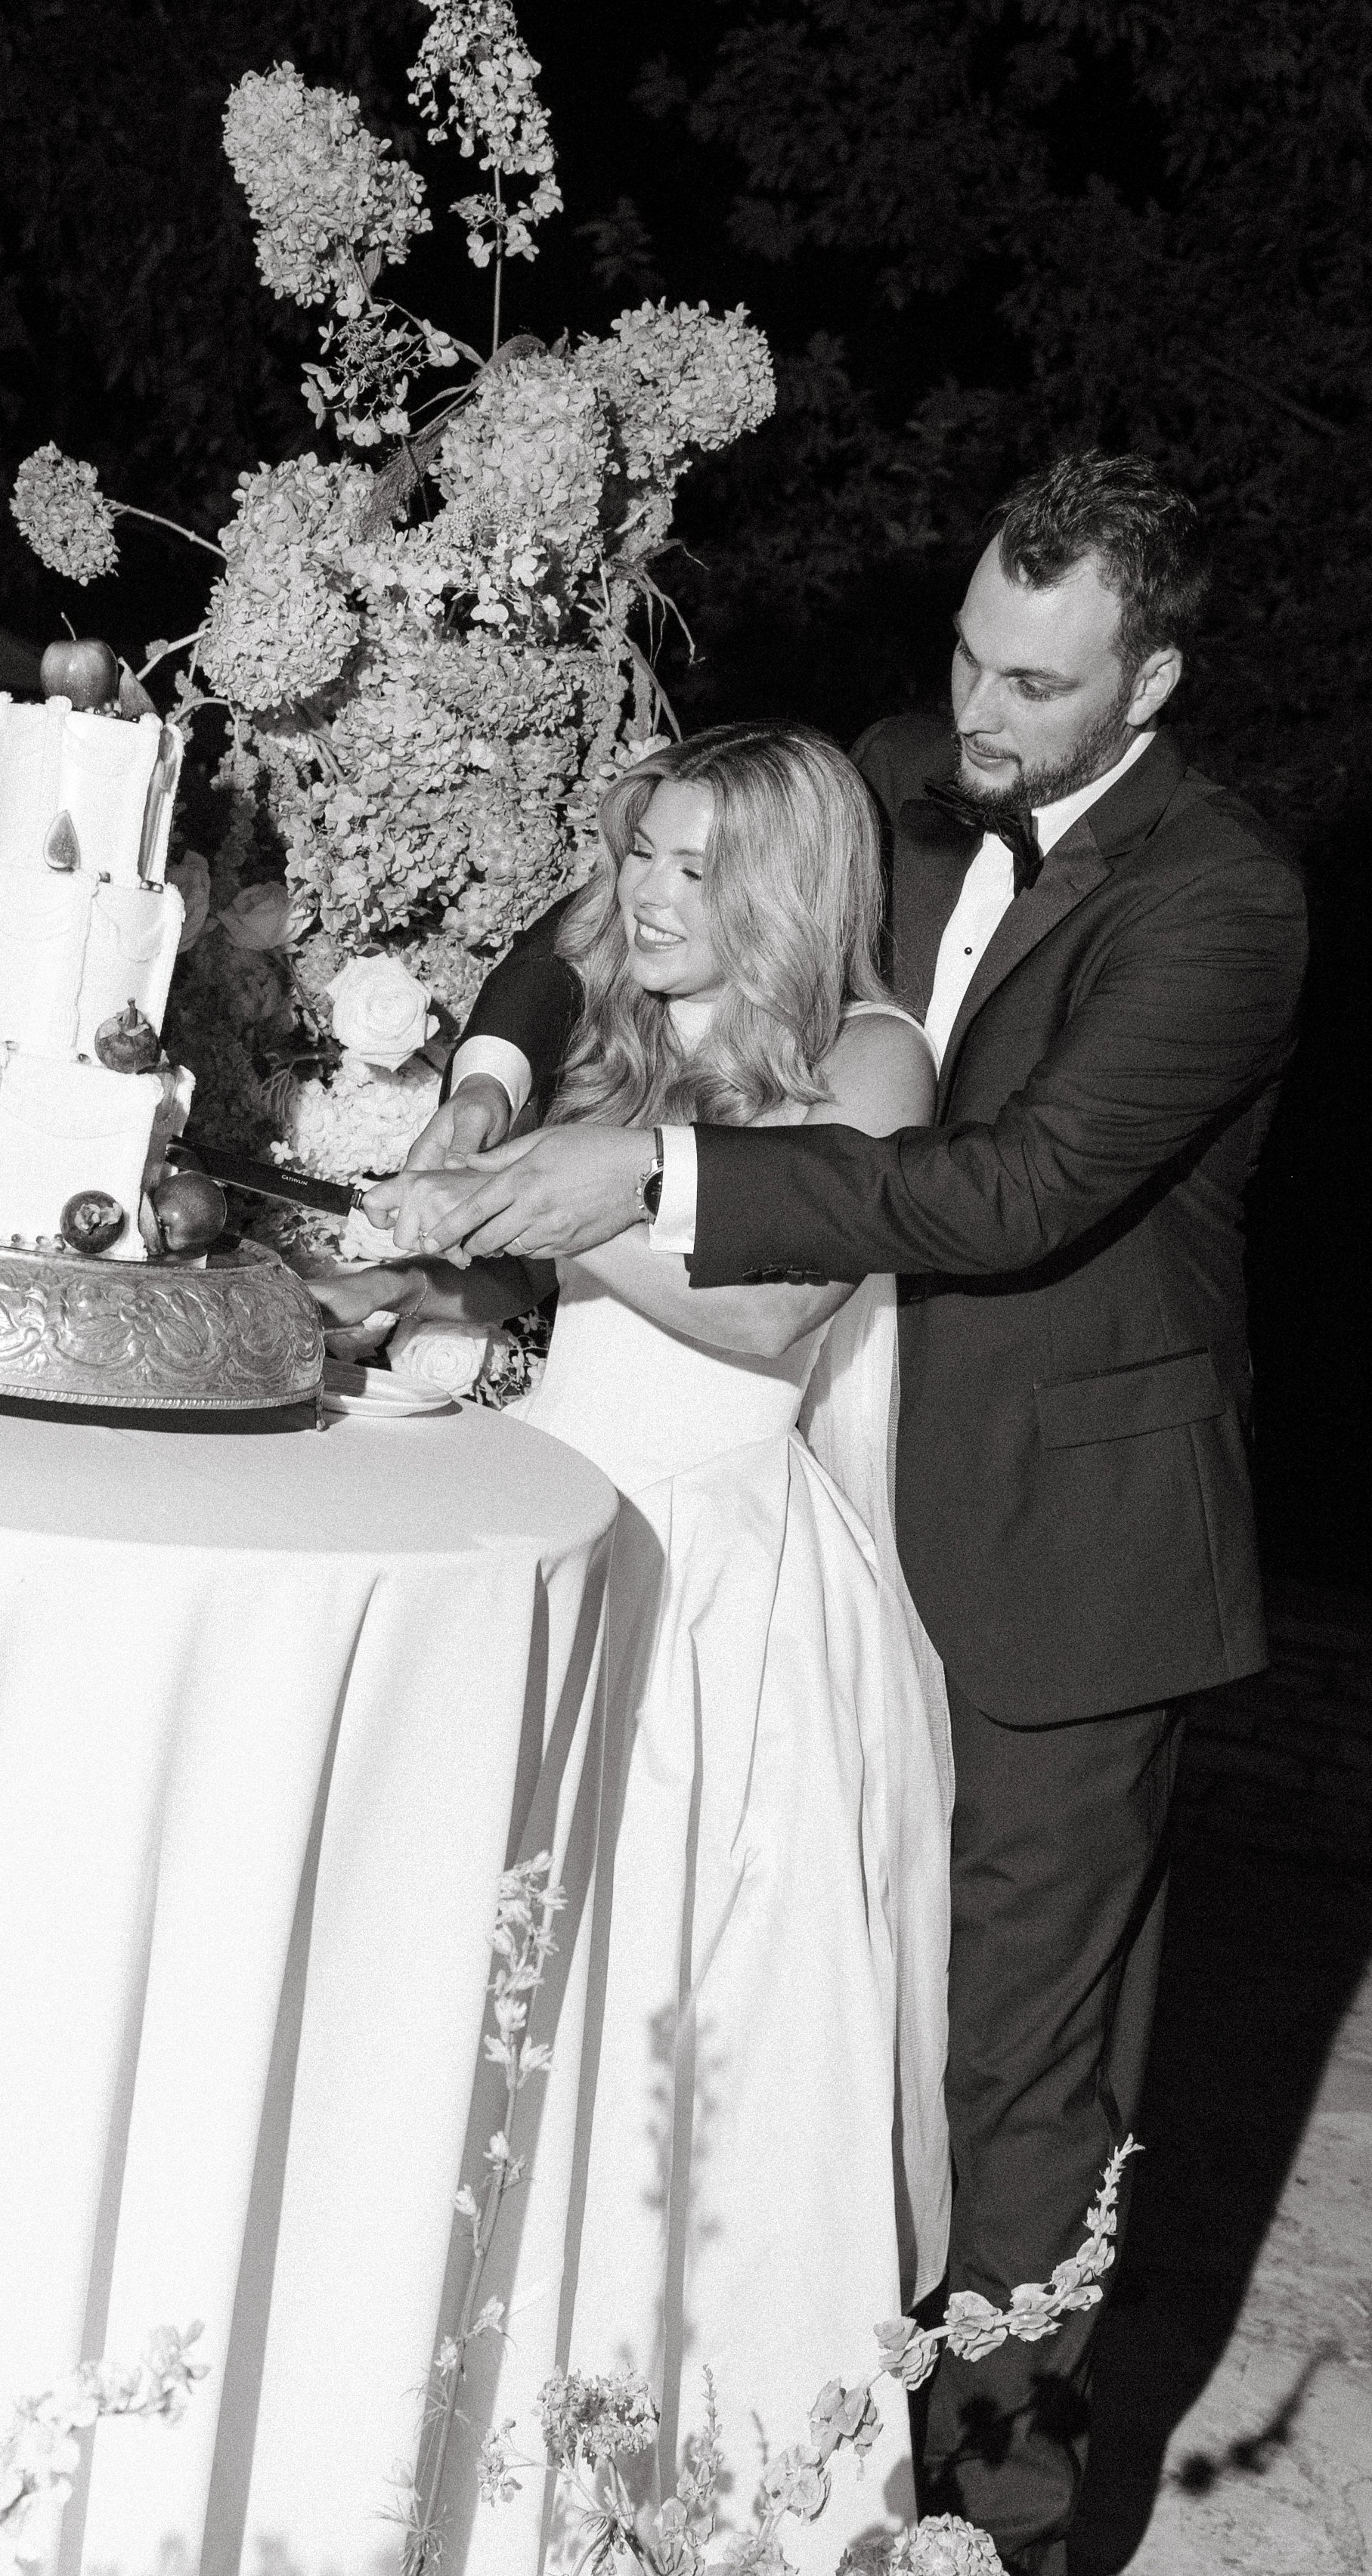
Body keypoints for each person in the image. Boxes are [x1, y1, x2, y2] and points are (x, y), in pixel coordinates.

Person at [362, 454, 1310, 2573]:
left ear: (1146, 685)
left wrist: (641, 1180)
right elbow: (604, 910)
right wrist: (508, 1077)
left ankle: (997, 2531)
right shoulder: (898, 776)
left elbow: (1011, 1190)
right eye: (970, 651)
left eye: (1038, 689)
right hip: (818, 1491)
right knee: (794, 2006)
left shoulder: (1224, 899)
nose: (976, 714)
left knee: (1019, 2097)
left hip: (1063, 1554)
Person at [316, 725, 954, 2566]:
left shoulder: (871, 1055)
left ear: (779, 888)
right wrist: (425, 1237)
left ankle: (689, 2490)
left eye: (691, 872)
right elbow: (543, 987)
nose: (648, 899)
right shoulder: (637, 1022)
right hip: (558, 1535)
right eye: (643, 858)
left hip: (722, 1591)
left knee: (693, 2038)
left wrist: (568, 1207)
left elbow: (769, 1318)